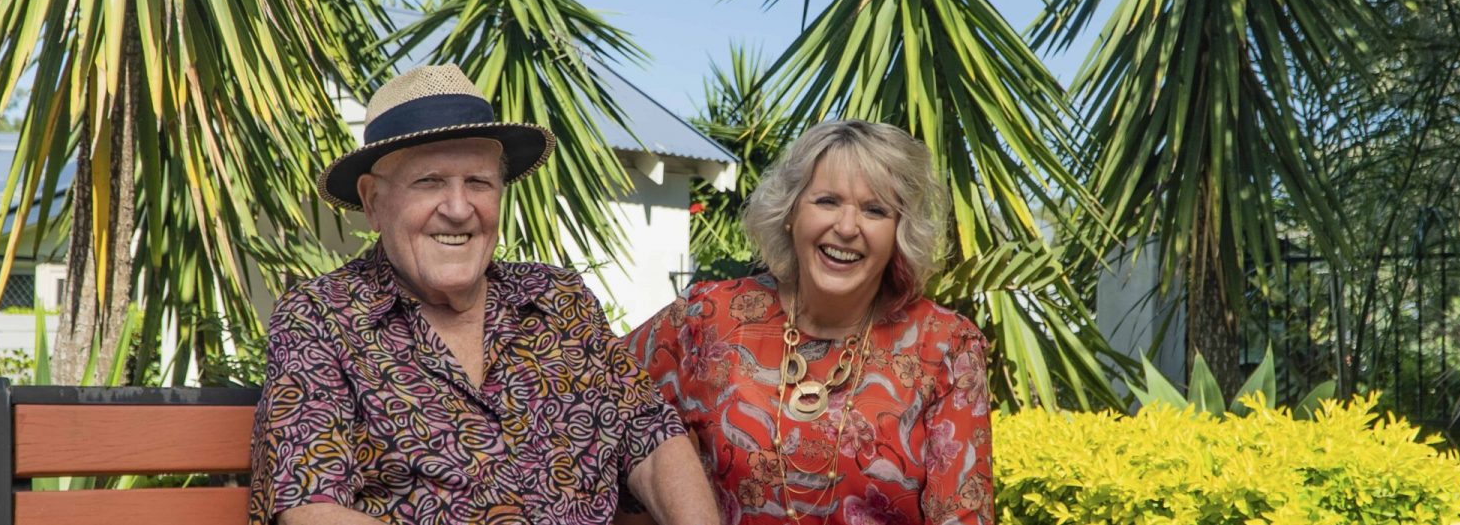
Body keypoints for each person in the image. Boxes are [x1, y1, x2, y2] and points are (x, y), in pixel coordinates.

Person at [249, 64, 719, 525]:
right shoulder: (321, 317)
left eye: (478, 182)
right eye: (428, 182)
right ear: (373, 202)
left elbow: (650, 436)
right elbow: (310, 504)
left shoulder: (558, 299)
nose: (458, 209)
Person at [619, 120, 994, 525]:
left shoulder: (946, 347)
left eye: (875, 210)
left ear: (899, 232)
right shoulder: (708, 318)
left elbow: (963, 515)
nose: (847, 228)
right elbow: (589, 401)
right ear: (790, 212)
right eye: (827, 201)